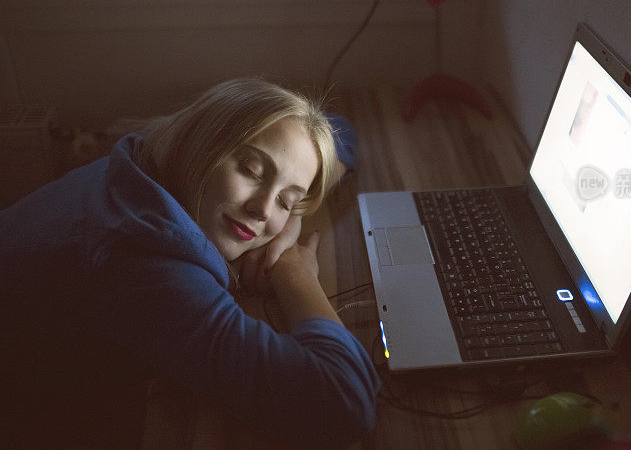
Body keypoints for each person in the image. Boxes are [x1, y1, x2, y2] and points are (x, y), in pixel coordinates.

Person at [0, 78, 380, 447]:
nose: (263, 210)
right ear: (204, 142)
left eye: (285, 199)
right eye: (250, 169)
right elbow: (345, 403)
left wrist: (289, 222)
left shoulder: (154, 154)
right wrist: (295, 271)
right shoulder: (148, 264)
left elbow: (337, 131)